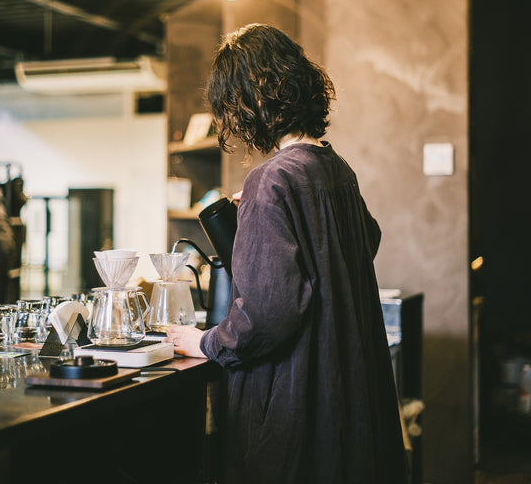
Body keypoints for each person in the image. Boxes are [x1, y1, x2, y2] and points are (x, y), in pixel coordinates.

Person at [165, 24, 408, 484]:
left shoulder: (271, 180)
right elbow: (365, 240)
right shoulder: (336, 167)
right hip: (350, 400)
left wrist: (205, 341)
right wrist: (265, 212)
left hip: (299, 410)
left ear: (250, 99)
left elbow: (268, 314)